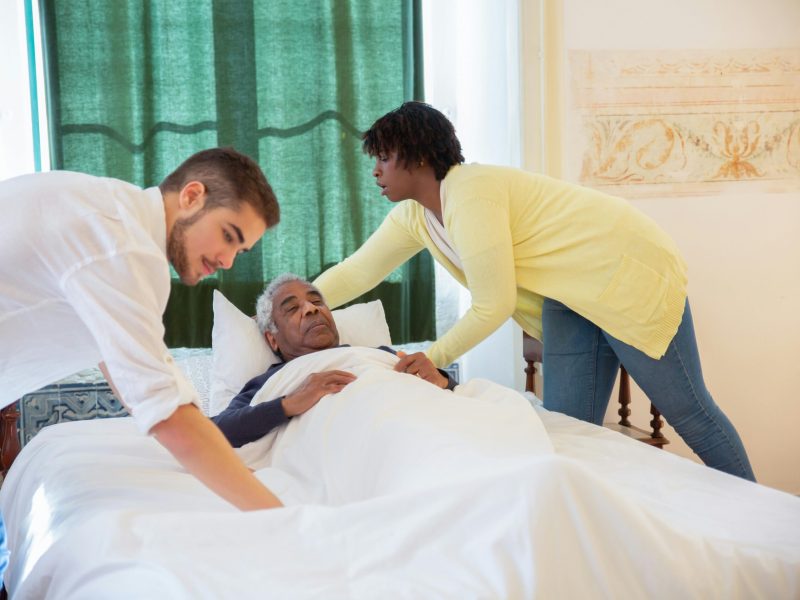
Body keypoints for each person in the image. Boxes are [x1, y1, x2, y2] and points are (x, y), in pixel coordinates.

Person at [312, 101, 755, 481]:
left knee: (691, 413)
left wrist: (435, 357)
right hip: (568, 298)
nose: (375, 170)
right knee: (567, 431)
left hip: (625, 274)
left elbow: (494, 304)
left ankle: (773, 524)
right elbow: (356, 273)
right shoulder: (416, 217)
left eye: (384, 158)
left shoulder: (471, 193)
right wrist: (287, 308)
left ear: (419, 158)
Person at [0, 147, 286, 536]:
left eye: (240, 250)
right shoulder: (121, 244)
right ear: (192, 196)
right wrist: (283, 519)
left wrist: (214, 460)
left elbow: (125, 367)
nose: (228, 261)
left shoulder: (114, 216)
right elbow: (165, 410)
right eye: (228, 236)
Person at [212, 273, 457, 447]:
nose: (311, 308)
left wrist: (442, 380)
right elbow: (215, 431)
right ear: (273, 339)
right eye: (292, 309)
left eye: (317, 301)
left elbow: (456, 396)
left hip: (424, 429)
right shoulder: (270, 382)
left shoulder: (380, 355)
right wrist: (290, 403)